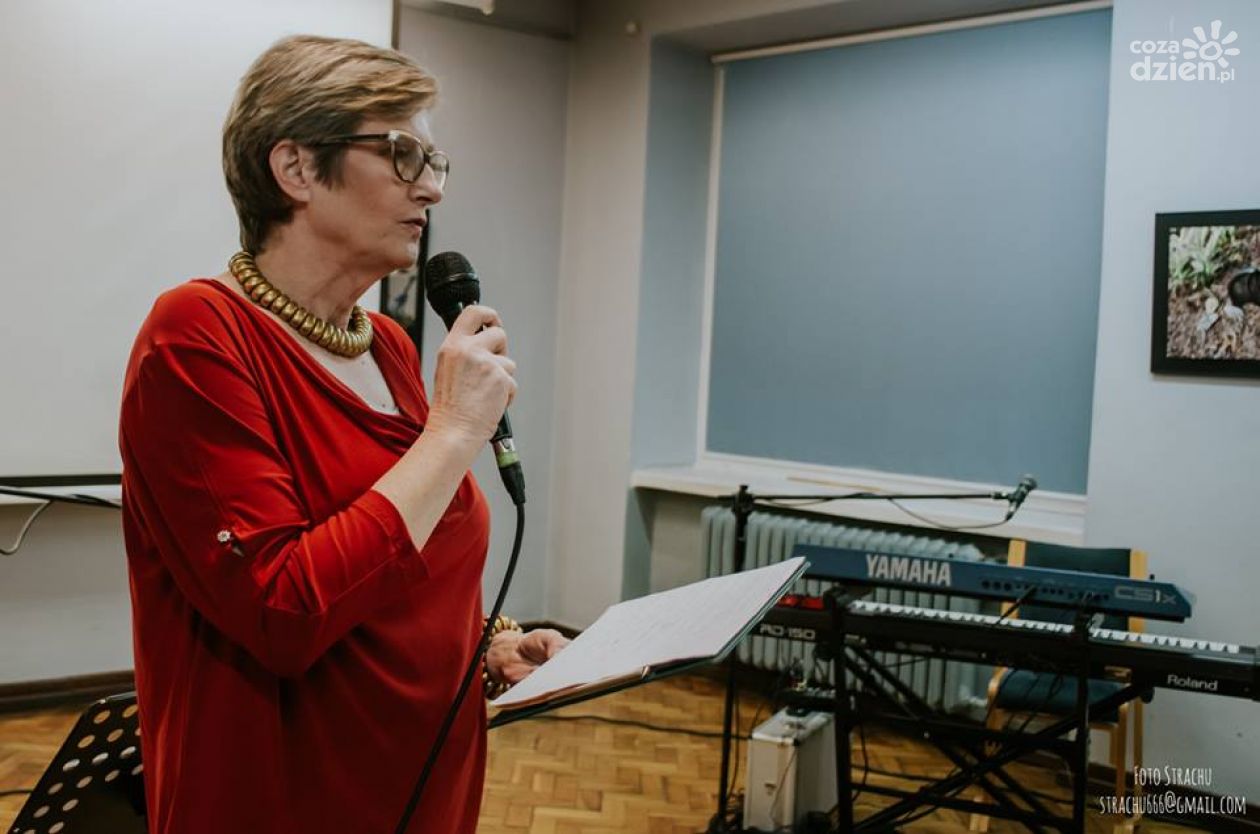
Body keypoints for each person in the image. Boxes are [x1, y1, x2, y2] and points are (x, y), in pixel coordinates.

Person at [118, 34, 566, 834]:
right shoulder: (195, 335)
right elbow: (281, 611)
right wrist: (453, 431)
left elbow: (407, 563)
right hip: (281, 797)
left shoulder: (386, 343)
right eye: (402, 154)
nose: (431, 188)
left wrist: (489, 644)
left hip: (423, 782)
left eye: (435, 162)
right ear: (295, 169)